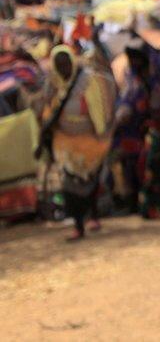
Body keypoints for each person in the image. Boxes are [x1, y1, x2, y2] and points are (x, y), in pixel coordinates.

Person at [38, 45, 117, 241]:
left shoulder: (88, 81)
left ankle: (93, 215)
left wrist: (103, 132)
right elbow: (47, 109)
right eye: (59, 64)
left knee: (90, 180)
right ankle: (78, 225)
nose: (64, 68)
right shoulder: (53, 85)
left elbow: (101, 104)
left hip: (89, 141)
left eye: (66, 63)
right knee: (68, 184)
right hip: (64, 143)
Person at [114, 38, 160, 218]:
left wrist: (153, 113)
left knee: (158, 165)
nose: (135, 63)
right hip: (137, 129)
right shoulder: (133, 77)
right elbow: (128, 101)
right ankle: (134, 201)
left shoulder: (159, 77)